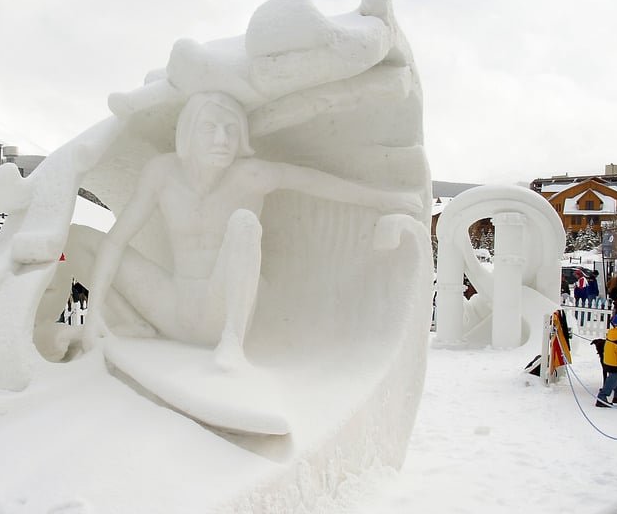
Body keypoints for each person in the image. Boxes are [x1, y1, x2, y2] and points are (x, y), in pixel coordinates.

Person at [84, 90, 421, 369]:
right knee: (83, 239)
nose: (221, 139)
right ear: (187, 132)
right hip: (174, 306)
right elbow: (116, 241)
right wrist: (93, 312)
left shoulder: (252, 175)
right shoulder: (162, 173)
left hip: (220, 311)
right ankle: (127, 322)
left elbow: (315, 183)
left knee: (243, 222)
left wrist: (384, 199)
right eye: (210, 128)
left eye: (231, 130)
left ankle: (233, 344)